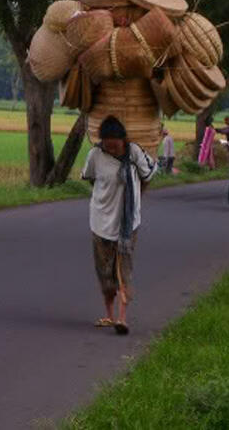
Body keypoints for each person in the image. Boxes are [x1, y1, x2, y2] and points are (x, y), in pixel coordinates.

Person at [81, 116, 157, 335]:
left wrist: (136, 197)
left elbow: (148, 175)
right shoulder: (95, 155)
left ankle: (123, 318)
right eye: (106, 143)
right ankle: (109, 314)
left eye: (115, 144)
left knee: (124, 270)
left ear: (123, 140)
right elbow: (90, 177)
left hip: (127, 224)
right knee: (104, 272)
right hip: (99, 221)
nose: (111, 148)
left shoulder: (133, 152)